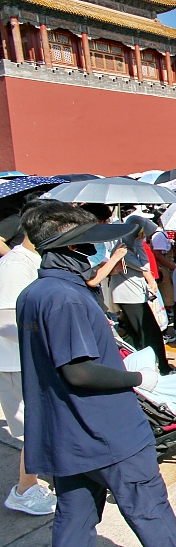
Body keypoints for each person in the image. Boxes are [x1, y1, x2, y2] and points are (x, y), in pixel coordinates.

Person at [18, 204, 176, 547]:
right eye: (89, 242)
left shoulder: (34, 293)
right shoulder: (65, 297)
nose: (94, 250)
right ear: (71, 247)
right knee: (151, 513)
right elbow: (79, 372)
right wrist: (139, 379)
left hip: (67, 435)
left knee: (74, 520)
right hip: (108, 432)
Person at [0, 200, 56, 516]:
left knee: (38, 428)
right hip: (13, 364)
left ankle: (29, 485)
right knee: (31, 431)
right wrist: (46, 335)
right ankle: (23, 491)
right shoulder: (16, 265)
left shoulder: (31, 261)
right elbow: (5, 320)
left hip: (26, 362)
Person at [111, 215, 172, 374]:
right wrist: (139, 242)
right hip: (131, 296)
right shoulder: (123, 247)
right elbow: (144, 265)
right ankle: (162, 368)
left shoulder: (125, 244)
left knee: (132, 334)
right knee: (150, 333)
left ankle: (131, 364)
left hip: (131, 295)